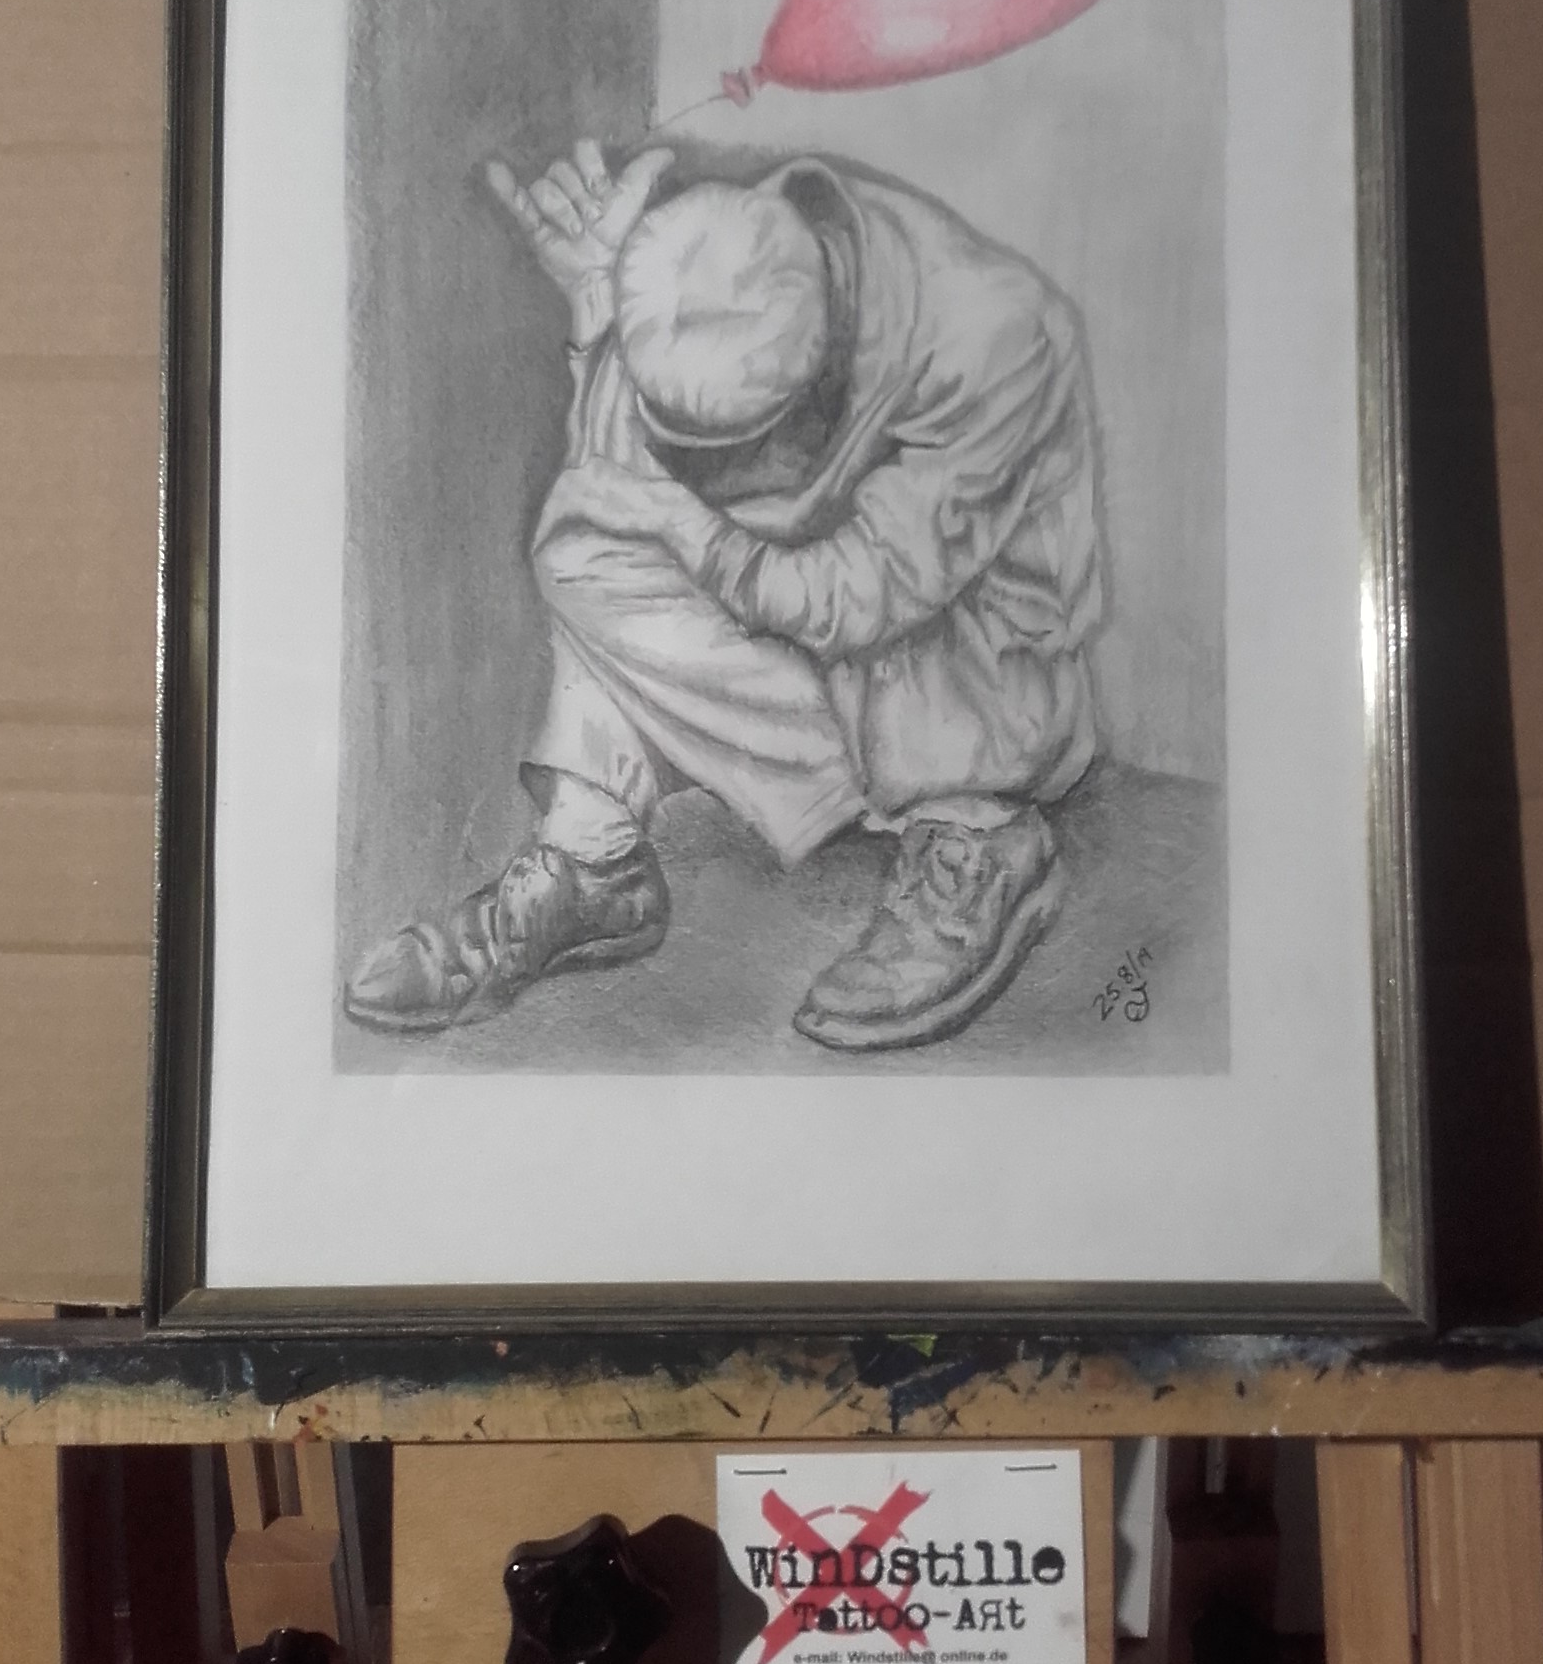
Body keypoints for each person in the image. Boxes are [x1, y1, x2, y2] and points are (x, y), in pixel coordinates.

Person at [344, 138, 1103, 1051]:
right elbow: (609, 490)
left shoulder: (993, 339)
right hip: (810, 634)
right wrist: (596, 304)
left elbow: (861, 598)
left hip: (959, 676)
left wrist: (691, 527)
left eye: (722, 453)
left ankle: (981, 838)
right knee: (587, 542)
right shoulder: (718, 266)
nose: (697, 470)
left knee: (863, 620)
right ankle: (594, 860)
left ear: (815, 396)